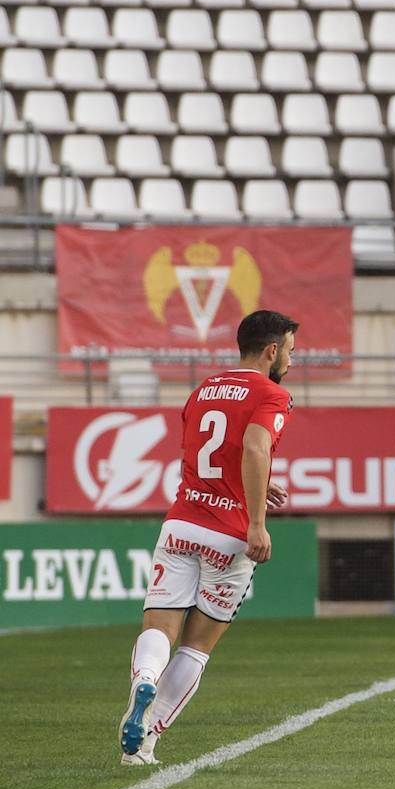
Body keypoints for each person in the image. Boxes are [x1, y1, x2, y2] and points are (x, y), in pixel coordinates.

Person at [117, 310, 298, 765]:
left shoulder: (203, 389)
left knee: (159, 626)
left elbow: (207, 455)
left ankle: (144, 678)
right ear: (272, 350)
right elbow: (255, 446)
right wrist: (256, 521)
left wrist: (251, 482)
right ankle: (146, 740)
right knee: (196, 646)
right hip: (229, 534)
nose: (292, 362)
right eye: (291, 352)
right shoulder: (273, 394)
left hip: (181, 522)